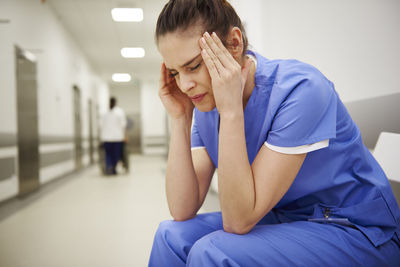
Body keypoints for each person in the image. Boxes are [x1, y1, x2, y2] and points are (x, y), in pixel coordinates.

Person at [149, 0, 400, 266]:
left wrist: (231, 110)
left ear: (234, 44)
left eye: (194, 66)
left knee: (212, 251)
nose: (185, 85)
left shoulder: (301, 90)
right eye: (175, 72)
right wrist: (180, 118)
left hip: (355, 230)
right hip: (284, 218)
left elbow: (238, 221)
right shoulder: (206, 104)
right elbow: (182, 209)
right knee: (170, 235)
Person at [100, 97, 127, 175]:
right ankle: (113, 169)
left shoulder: (104, 112)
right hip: (117, 138)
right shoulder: (120, 112)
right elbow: (123, 125)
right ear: (115, 102)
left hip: (106, 138)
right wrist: (125, 136)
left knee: (108, 154)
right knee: (116, 155)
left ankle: (109, 167)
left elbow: (101, 125)